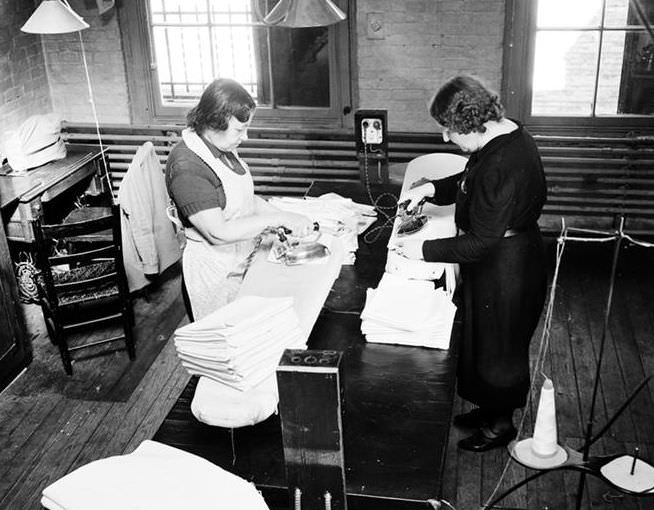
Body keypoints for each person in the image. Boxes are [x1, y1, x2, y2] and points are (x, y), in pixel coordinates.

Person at [394, 75, 548, 452]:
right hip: (500, 261)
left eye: (448, 130)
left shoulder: (502, 163)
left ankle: (500, 426)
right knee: (483, 340)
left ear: (469, 123)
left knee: (500, 347)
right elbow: (470, 178)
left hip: (507, 267)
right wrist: (431, 188)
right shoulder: (503, 137)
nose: (446, 138)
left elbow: (480, 242)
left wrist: (422, 250)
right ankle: (488, 409)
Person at [166, 78, 313, 320]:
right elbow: (218, 232)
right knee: (227, 342)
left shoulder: (219, 146)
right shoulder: (187, 165)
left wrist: (284, 218)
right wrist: (277, 218)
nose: (244, 137)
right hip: (215, 272)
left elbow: (242, 198)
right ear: (214, 121)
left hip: (240, 257)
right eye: (239, 130)